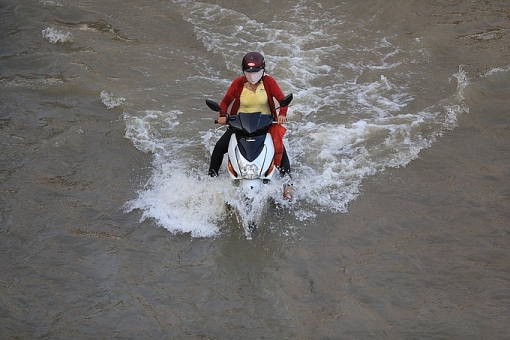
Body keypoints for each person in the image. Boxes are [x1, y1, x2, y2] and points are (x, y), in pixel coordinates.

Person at [208, 52, 293, 200]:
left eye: (256, 71)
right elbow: (225, 102)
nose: (252, 75)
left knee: (280, 152)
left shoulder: (269, 82)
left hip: (265, 125)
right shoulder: (238, 83)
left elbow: (282, 100)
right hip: (239, 124)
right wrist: (222, 115)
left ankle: (288, 187)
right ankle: (210, 181)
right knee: (219, 148)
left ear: (263, 69)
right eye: (248, 72)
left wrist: (282, 114)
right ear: (243, 71)